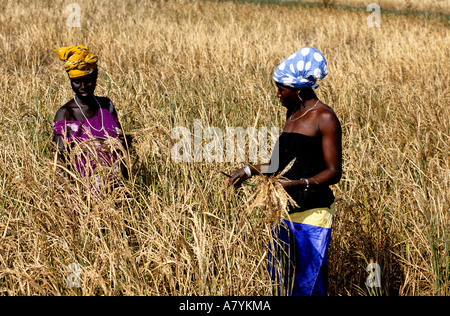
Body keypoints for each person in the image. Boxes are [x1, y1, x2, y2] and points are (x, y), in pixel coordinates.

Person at [228, 47, 342, 296]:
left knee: (308, 285)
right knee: (280, 281)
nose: (277, 95)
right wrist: (248, 171)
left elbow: (334, 172)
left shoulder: (325, 118)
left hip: (312, 216)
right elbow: (278, 165)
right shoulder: (293, 114)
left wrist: (298, 184)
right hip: (284, 214)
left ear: (299, 90)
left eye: (281, 89)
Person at [52, 45, 129, 188]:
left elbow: (120, 142)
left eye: (88, 80)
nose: (83, 86)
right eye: (77, 81)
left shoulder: (106, 106)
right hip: (84, 193)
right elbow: (60, 161)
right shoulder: (66, 114)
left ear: (96, 77)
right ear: (70, 81)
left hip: (116, 189)